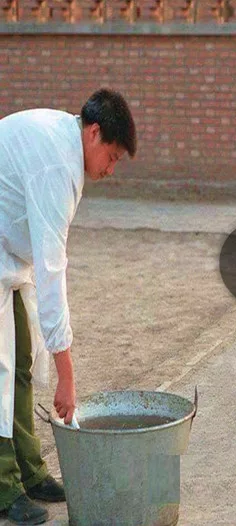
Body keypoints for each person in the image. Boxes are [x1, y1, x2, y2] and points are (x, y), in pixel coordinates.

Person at [0, 89, 136, 524]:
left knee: (20, 357)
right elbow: (52, 272)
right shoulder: (58, 166)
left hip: (5, 255)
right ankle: (3, 487)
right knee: (0, 366)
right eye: (111, 157)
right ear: (93, 133)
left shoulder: (65, 142)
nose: (110, 169)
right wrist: (67, 379)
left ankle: (28, 468)